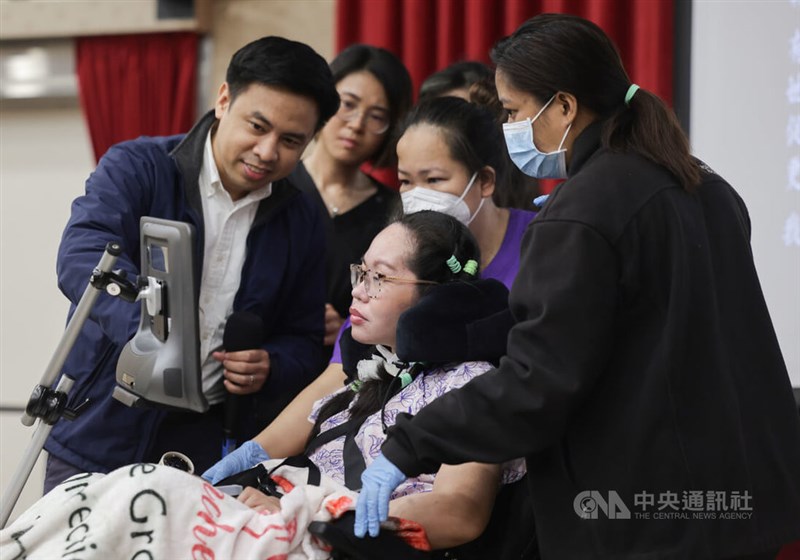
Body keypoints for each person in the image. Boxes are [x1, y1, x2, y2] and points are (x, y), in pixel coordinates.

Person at [355, 13, 800, 560]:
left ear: (564, 106)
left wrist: (409, 444)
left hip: (645, 517)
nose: (509, 129)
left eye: (514, 112)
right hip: (742, 498)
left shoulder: (583, 211)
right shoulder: (705, 184)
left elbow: (537, 383)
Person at [43, 36, 340, 491]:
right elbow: (81, 255)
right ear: (224, 100)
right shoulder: (140, 167)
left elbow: (305, 339)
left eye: (290, 140)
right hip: (100, 423)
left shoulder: (303, 217)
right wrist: (148, 330)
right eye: (257, 126)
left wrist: (270, 363)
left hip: (204, 443)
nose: (266, 150)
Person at [201, 94, 537, 482]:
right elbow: (338, 377)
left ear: (485, 181)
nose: (416, 195)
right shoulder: (394, 256)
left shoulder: (540, 246)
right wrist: (254, 452)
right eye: (406, 181)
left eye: (434, 180)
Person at [289, 44, 412, 350]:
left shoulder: (394, 211)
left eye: (377, 116)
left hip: (345, 368)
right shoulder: (277, 185)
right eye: (347, 104)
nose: (356, 124)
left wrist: (349, 323)